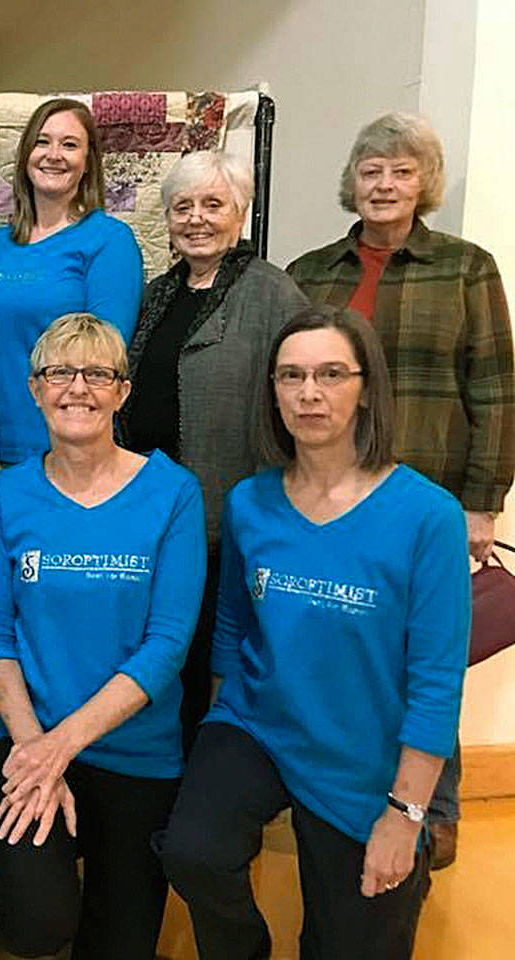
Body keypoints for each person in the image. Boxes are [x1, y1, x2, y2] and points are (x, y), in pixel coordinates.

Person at [160, 307, 470, 960]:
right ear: (270, 390)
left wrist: (407, 814)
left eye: (331, 374)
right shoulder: (251, 501)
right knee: (192, 851)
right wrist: (219, 737)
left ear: (366, 388)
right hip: (259, 725)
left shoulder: (428, 516)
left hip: (364, 755)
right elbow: (232, 626)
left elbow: (437, 682)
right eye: (290, 376)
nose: (309, 393)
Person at [287, 112, 515, 867]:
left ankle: (433, 804)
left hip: (429, 499)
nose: (384, 185)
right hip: (329, 497)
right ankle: (332, 787)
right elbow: (287, 383)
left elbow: (494, 387)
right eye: (371, 171)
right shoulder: (312, 272)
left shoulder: (467, 267)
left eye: (402, 171)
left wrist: (482, 500)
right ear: (351, 183)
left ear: (426, 183)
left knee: (429, 650)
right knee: (341, 642)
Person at [0, 314, 206, 960]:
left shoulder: (173, 493)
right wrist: (38, 748)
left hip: (134, 751)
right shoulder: (5, 495)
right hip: (24, 735)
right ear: (34, 389)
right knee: (36, 928)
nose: (77, 388)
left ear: (122, 392)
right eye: (59, 372)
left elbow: (167, 646)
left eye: (98, 374)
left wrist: (64, 745)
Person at [120, 150, 310, 752]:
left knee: (211, 655)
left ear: (240, 213)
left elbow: (298, 408)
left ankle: (202, 786)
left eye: (212, 205)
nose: (196, 219)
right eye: (183, 207)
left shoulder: (273, 295)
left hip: (225, 516)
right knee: (157, 646)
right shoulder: (156, 295)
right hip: (151, 512)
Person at [0, 97, 144, 465]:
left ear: (87, 163)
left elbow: (103, 358)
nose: (53, 154)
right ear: (25, 156)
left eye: (69, 145)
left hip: (66, 447)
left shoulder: (109, 241)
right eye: (42, 141)